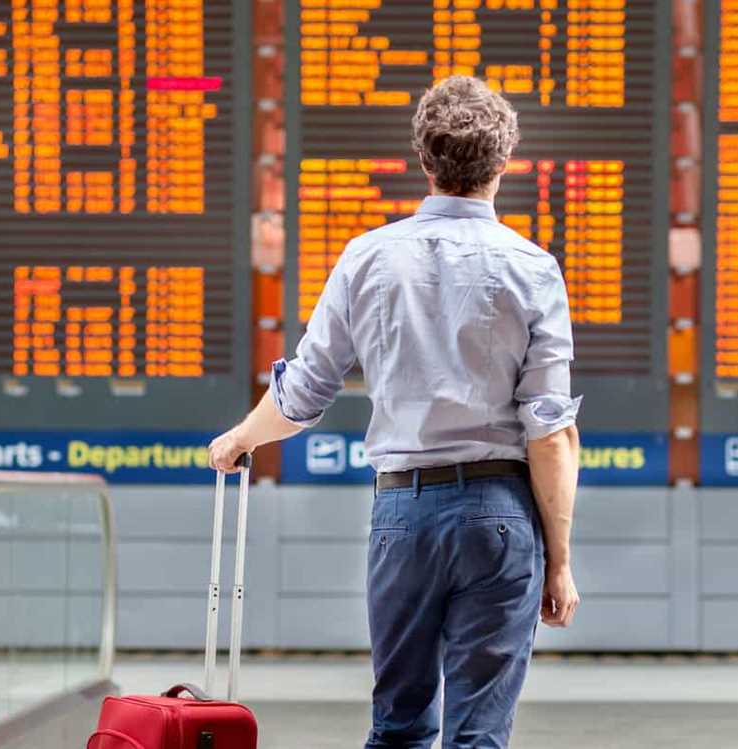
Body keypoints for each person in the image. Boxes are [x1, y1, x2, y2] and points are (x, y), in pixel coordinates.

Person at [208, 75, 581, 748]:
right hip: (501, 517)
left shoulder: (368, 258)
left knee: (400, 725)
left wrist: (239, 438)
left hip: (404, 516)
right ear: (503, 163)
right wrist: (558, 561)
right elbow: (550, 433)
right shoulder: (534, 268)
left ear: (424, 160)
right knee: (479, 735)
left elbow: (303, 393)